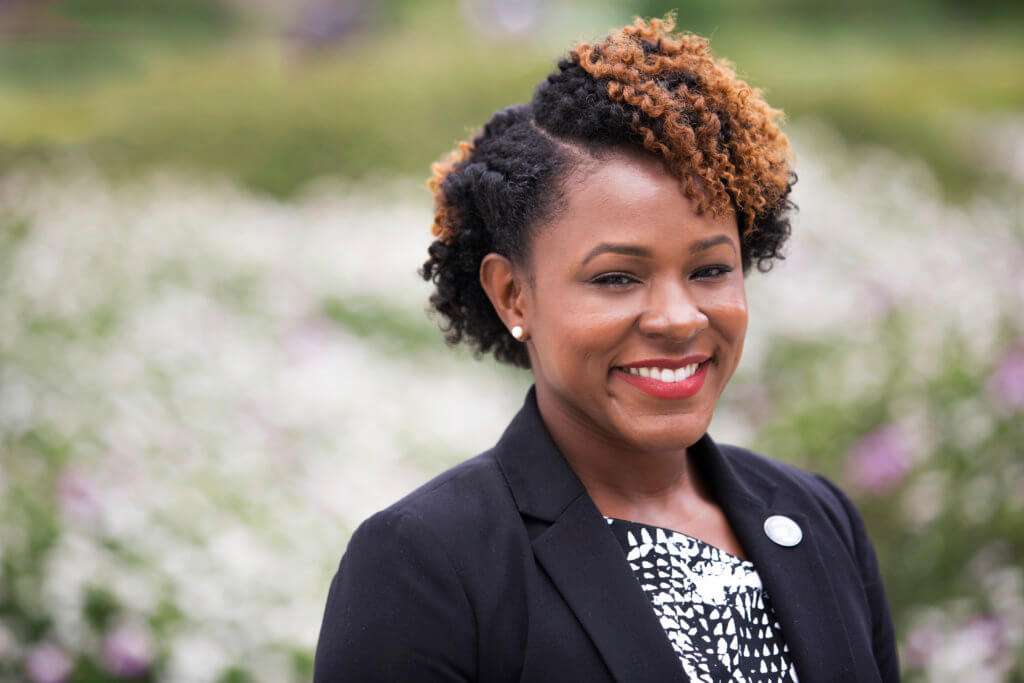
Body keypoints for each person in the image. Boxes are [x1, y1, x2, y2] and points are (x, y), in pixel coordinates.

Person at [313, 15, 899, 683]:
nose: (679, 318)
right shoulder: (427, 564)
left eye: (710, 269)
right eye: (617, 277)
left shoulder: (818, 519)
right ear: (513, 296)